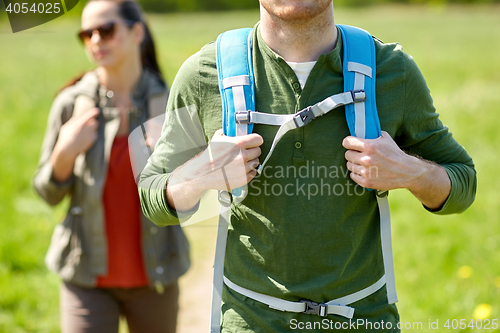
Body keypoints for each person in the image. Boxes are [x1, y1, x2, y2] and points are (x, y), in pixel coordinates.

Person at [138, 1, 476, 332]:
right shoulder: (203, 74)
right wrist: (201, 174)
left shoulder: (391, 70)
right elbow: (152, 197)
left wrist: (410, 171)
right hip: (249, 322)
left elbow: (463, 184)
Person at [33, 0, 189, 332]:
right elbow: (47, 193)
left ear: (137, 32)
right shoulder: (70, 105)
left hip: (156, 277)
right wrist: (64, 153)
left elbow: (191, 203)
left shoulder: (169, 104)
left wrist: (174, 165)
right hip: (84, 278)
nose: (95, 40)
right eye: (85, 34)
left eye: (105, 30)